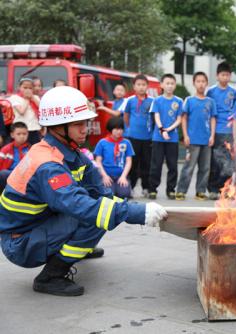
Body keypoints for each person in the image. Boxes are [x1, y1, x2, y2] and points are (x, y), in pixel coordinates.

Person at [0, 86, 168, 297]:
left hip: (36, 226)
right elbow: (81, 206)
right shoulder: (48, 164)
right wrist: (138, 214)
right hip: (20, 242)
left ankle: (77, 246)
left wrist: (131, 208)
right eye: (78, 124)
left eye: (85, 123)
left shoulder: (71, 153)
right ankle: (51, 275)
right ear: (58, 127)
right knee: (93, 217)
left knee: (102, 209)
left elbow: (100, 193)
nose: (85, 129)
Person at [176, 72, 216, 201]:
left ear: (207, 84)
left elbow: (213, 119)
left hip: (206, 140)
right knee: (189, 167)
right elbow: (184, 118)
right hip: (192, 140)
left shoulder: (210, 102)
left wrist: (212, 136)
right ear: (194, 83)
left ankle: (200, 191)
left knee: (205, 168)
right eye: (198, 81)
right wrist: (185, 135)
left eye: (203, 81)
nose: (201, 84)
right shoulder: (189, 100)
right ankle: (181, 191)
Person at [206, 62, 236, 200]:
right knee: (215, 161)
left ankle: (226, 189)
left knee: (228, 162)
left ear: (230, 76)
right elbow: (207, 111)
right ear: (217, 76)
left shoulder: (233, 92)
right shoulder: (211, 91)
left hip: (230, 130)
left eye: (227, 75)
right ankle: (213, 189)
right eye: (222, 75)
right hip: (216, 130)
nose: (225, 77)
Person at [149, 74, 183, 200]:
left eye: (172, 83)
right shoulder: (157, 100)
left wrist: (169, 129)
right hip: (158, 137)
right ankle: (153, 189)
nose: (169, 86)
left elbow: (179, 119)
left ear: (175, 85)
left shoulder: (178, 101)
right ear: (162, 85)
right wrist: (162, 129)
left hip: (172, 138)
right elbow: (156, 116)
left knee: (172, 165)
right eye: (167, 83)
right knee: (156, 164)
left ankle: (171, 190)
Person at [123, 74, 154, 197]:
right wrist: (130, 128)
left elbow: (154, 118)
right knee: (133, 164)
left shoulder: (152, 101)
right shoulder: (130, 100)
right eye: (138, 85)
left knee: (147, 163)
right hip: (133, 138)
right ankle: (130, 188)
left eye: (143, 85)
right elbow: (126, 116)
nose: (141, 87)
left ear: (147, 86)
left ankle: (146, 188)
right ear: (134, 86)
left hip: (148, 138)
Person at [94, 117, 134, 199]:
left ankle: (126, 187)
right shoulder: (102, 142)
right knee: (108, 194)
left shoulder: (126, 142)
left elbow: (129, 161)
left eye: (121, 129)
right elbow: (98, 161)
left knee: (124, 194)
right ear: (110, 129)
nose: (119, 131)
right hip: (106, 175)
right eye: (116, 129)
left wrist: (123, 176)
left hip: (121, 175)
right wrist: (104, 176)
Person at [8, 77, 42, 144]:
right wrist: (27, 99)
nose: (27, 90)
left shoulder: (35, 97)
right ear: (19, 87)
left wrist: (32, 98)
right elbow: (21, 111)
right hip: (20, 130)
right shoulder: (14, 98)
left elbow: (41, 108)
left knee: (34, 149)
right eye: (25, 88)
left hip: (34, 128)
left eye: (30, 88)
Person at [0, 122, 30, 192]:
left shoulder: (31, 149)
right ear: (12, 135)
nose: (22, 136)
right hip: (9, 175)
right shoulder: (6, 149)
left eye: (24, 134)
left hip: (25, 176)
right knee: (3, 173)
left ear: (28, 134)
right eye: (18, 134)